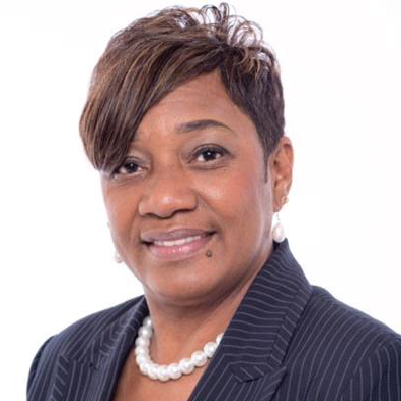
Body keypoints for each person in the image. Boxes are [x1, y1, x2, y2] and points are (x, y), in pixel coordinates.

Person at [27, 3, 401, 401]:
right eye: (129, 165)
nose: (165, 200)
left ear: (278, 171)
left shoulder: (362, 368)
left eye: (207, 154)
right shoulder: (62, 361)